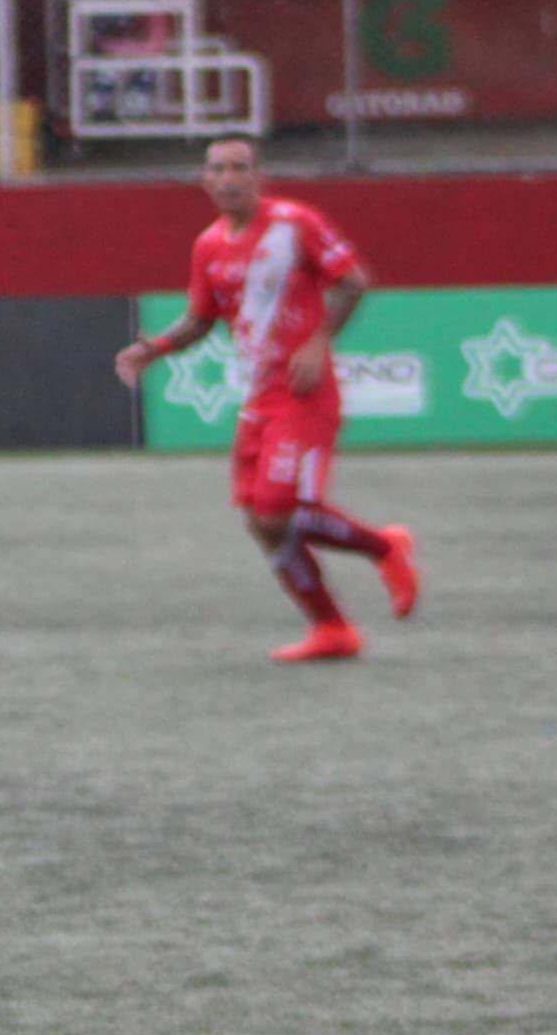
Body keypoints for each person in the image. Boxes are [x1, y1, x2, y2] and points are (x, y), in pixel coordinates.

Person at [116, 136, 425, 663]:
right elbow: (202, 318)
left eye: (239, 167)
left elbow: (353, 281)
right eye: (218, 169)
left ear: (259, 176)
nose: (229, 178)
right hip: (258, 400)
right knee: (261, 522)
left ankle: (385, 547)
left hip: (304, 394)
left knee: (280, 510)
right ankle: (333, 630)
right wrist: (155, 348)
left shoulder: (294, 223)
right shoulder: (208, 245)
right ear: (205, 181)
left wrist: (318, 340)